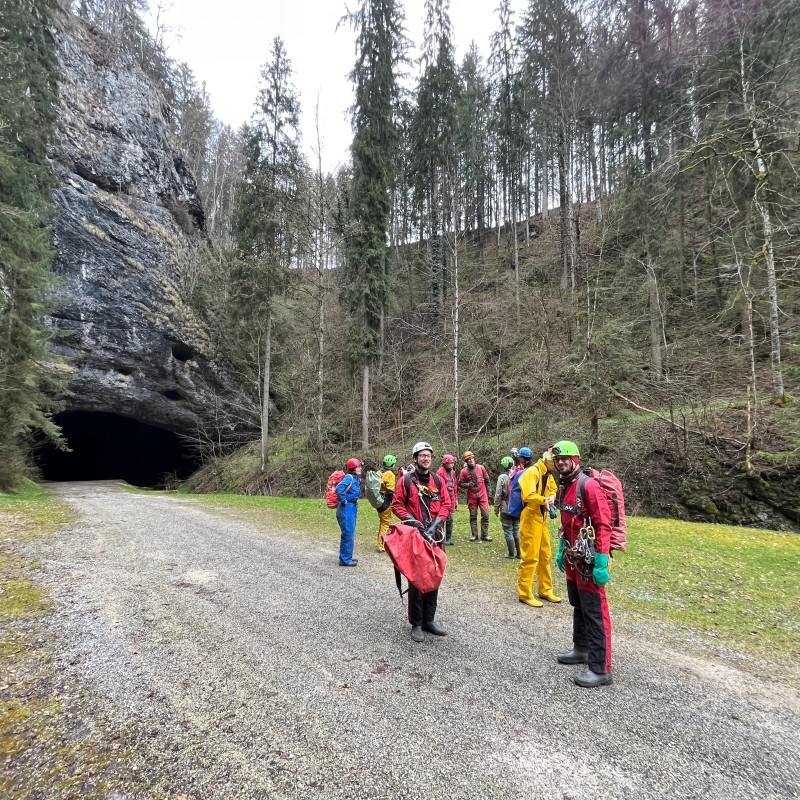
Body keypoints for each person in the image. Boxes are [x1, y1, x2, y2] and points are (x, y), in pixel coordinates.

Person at [552, 440, 614, 688]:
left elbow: (603, 524)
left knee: (595, 611)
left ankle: (601, 669)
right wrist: (561, 550)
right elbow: (566, 524)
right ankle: (581, 648)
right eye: (557, 460)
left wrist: (601, 560)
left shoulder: (589, 486)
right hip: (572, 557)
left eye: (564, 458)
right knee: (578, 604)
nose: (560, 462)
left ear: (575, 460)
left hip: (589, 560)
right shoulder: (564, 486)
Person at [392, 441, 452, 642]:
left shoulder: (438, 480)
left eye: (428, 455)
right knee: (417, 579)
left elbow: (446, 504)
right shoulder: (406, 481)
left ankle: (429, 620)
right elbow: (397, 505)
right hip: (416, 537)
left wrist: (435, 524)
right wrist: (414, 522)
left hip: (434, 537)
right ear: (415, 458)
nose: (426, 458)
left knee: (434, 575)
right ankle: (416, 623)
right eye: (422, 455)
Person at [516, 447, 561, 607]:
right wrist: (544, 500)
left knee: (545, 554)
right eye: (555, 463)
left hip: (542, 519)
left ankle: (545, 590)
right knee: (530, 557)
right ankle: (524, 593)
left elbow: (553, 488)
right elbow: (528, 495)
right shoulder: (533, 472)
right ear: (548, 461)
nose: (557, 466)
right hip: (530, 518)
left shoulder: (548, 474)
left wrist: (551, 497)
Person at [458, 450, 492, 542]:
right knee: (473, 516)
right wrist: (468, 484)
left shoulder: (481, 468)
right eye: (469, 459)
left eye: (472, 458)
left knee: (485, 515)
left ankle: (485, 535)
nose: (471, 460)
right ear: (466, 461)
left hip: (483, 495)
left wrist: (489, 493)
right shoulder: (464, 471)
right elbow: (460, 483)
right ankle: (474, 535)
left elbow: (487, 481)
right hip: (471, 496)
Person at [336, 458, 362, 567]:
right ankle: (345, 560)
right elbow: (339, 488)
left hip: (352, 507)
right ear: (353, 468)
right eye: (358, 467)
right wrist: (343, 500)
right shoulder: (349, 477)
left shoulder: (355, 478)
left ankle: (347, 556)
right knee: (348, 533)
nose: (360, 468)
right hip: (346, 508)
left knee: (350, 532)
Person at [494, 456, 520, 558]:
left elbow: (498, 494)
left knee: (508, 529)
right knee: (516, 529)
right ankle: (519, 553)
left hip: (506, 506)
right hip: (516, 506)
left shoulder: (502, 477)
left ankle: (511, 554)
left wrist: (496, 508)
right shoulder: (517, 474)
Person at [375, 454, 397, 552]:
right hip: (385, 501)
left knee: (382, 522)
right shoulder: (390, 474)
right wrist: (394, 503)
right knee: (386, 523)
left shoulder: (378, 472)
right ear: (391, 464)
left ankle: (380, 542)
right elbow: (390, 491)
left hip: (378, 500)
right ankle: (381, 545)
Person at [436, 454, 459, 546]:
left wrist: (456, 499)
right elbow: (437, 487)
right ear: (445, 463)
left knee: (450, 519)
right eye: (450, 463)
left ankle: (449, 538)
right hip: (443, 499)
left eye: (453, 463)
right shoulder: (440, 472)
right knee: (442, 519)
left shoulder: (453, 472)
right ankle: (442, 538)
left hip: (451, 498)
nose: (452, 465)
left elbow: (455, 486)